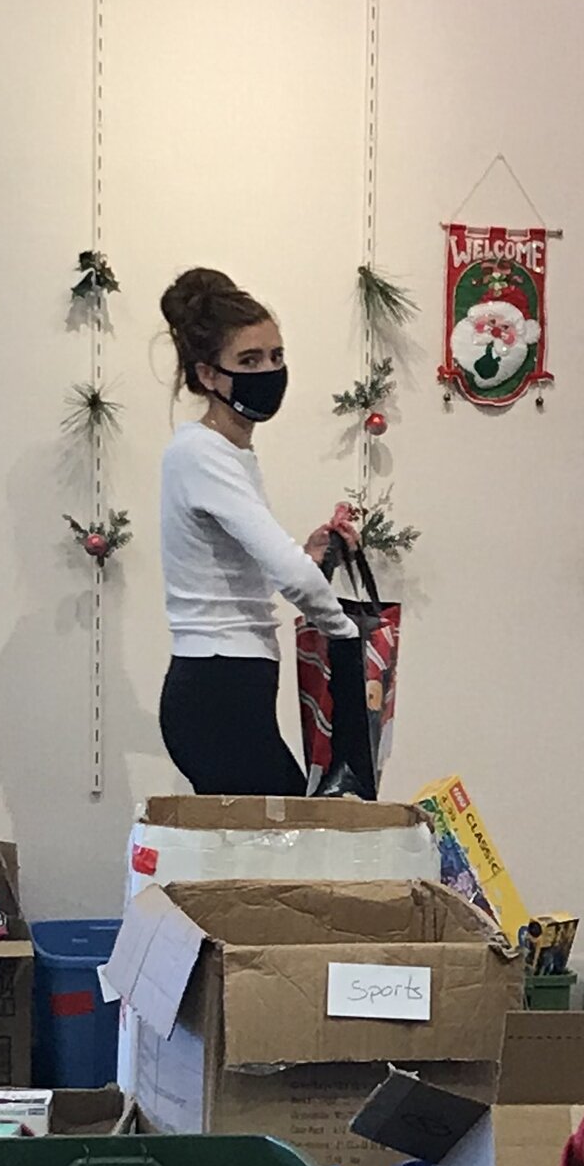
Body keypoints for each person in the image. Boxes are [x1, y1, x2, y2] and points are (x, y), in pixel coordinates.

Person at [155, 265, 358, 795]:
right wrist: (346, 634)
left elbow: (241, 576)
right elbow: (288, 574)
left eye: (276, 356)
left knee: (271, 854)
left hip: (230, 684)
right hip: (217, 690)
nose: (269, 370)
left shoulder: (229, 453)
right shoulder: (201, 453)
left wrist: (311, 559)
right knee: (290, 848)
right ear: (207, 376)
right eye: (249, 360)